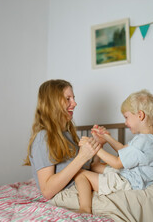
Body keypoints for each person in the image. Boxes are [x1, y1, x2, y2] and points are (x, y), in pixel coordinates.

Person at [74, 89, 153, 214]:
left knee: (80, 174)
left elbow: (117, 163)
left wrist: (93, 147)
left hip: (130, 182)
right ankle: (97, 155)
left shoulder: (142, 141)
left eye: (126, 117)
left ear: (140, 115)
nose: (125, 122)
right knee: (95, 166)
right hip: (132, 177)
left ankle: (85, 209)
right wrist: (106, 137)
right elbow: (123, 150)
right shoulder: (149, 139)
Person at [24, 79, 103, 213]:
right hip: (69, 194)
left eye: (73, 98)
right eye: (68, 99)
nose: (75, 103)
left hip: (84, 187)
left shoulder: (68, 134)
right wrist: (81, 157)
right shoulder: (43, 137)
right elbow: (47, 191)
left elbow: (86, 168)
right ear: (53, 103)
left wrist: (98, 145)